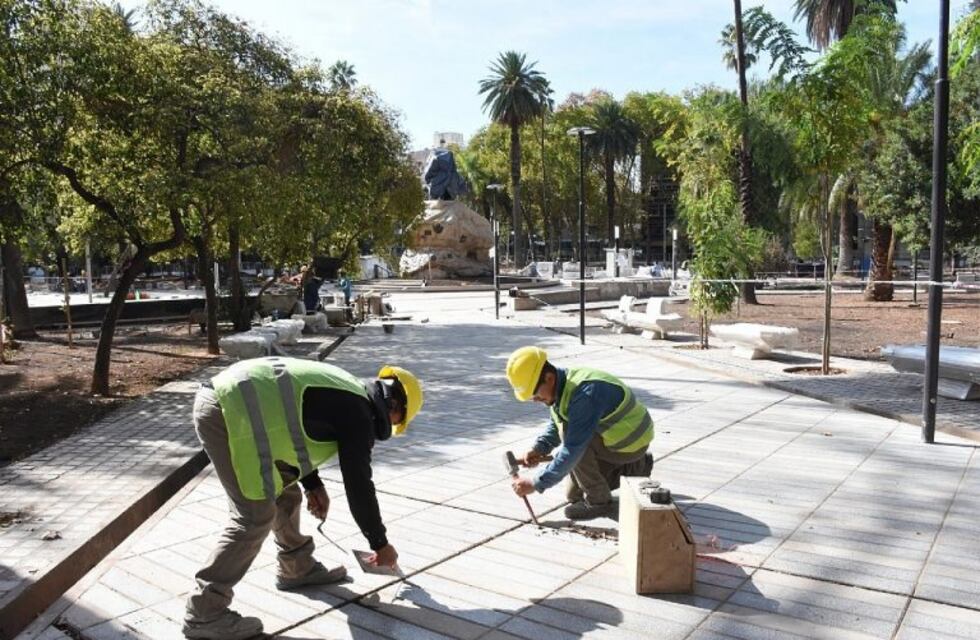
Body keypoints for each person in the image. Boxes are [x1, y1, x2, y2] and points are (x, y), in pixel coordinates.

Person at [183, 357, 423, 640]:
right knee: (254, 516)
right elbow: (359, 485)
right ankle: (204, 614)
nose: (393, 427)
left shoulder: (349, 393)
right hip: (226, 412)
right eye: (399, 422)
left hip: (233, 405)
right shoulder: (360, 414)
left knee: (285, 492)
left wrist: (312, 484)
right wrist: (380, 543)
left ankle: (296, 567)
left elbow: (296, 423)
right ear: (393, 405)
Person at [505, 346, 654, 521]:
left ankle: (599, 502)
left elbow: (573, 449)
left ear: (549, 378)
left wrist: (535, 483)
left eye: (534, 394)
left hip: (631, 442)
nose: (535, 400)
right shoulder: (562, 387)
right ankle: (637, 466)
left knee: (574, 442)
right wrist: (540, 448)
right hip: (615, 441)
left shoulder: (585, 394)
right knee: (573, 494)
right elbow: (558, 421)